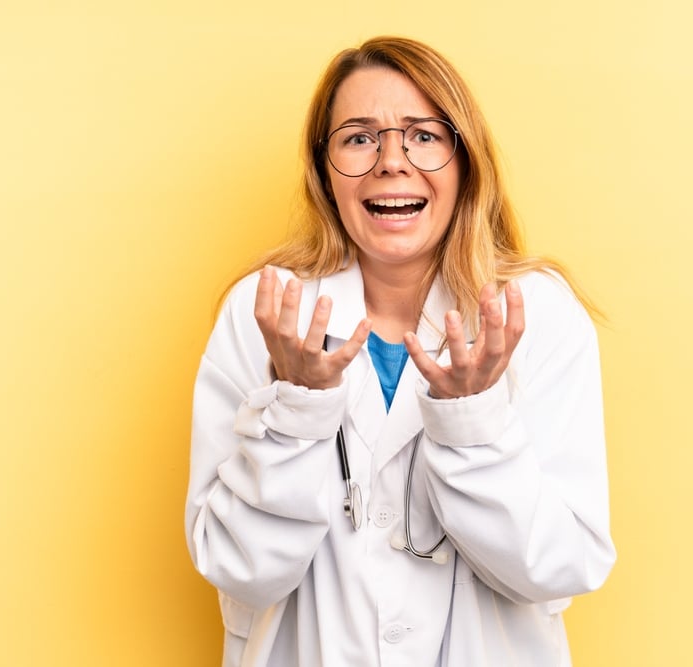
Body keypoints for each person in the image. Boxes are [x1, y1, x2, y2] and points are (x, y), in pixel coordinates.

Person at [185, 35, 616, 667]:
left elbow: (561, 565)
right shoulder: (267, 312)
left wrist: (473, 424)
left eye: (423, 135)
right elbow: (239, 568)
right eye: (358, 138)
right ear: (324, 170)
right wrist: (297, 409)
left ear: (465, 160)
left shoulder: (539, 315)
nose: (392, 161)